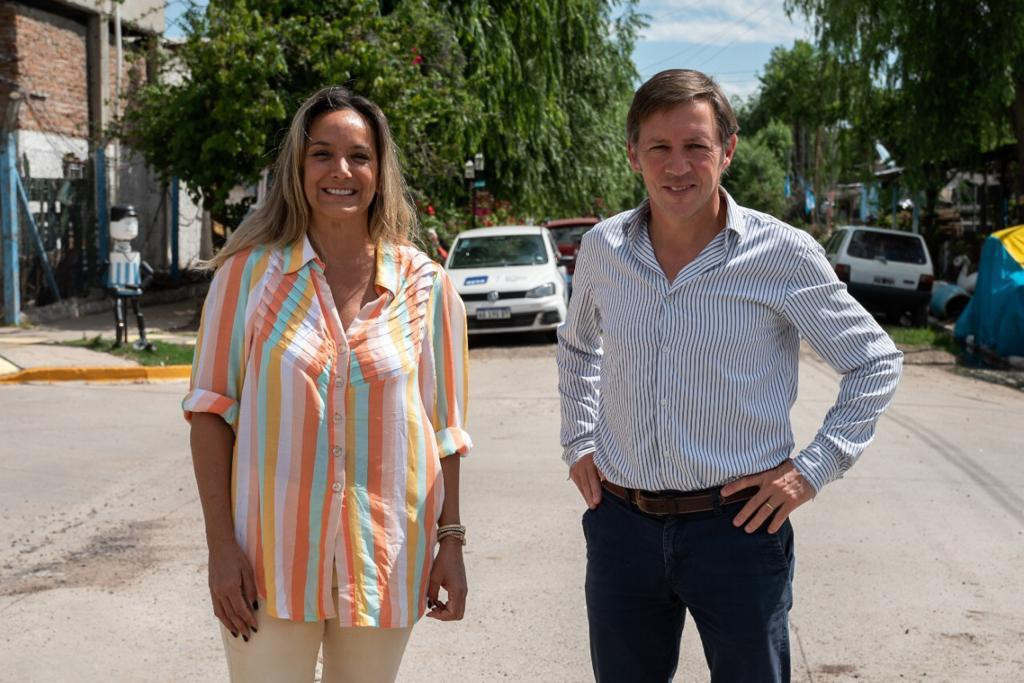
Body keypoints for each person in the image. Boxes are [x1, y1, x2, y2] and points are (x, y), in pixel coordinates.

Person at [557, 69, 903, 682]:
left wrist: (810, 471)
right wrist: (580, 442)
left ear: (728, 149)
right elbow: (580, 349)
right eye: (659, 147)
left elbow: (873, 360)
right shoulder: (603, 249)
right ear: (633, 153)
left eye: (696, 146)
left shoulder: (782, 254)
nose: (678, 165)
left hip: (738, 531)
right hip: (622, 530)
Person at [183, 86, 472, 682]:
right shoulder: (245, 277)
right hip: (266, 560)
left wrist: (452, 544)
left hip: (385, 558)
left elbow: (444, 432)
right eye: (322, 154)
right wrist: (220, 549)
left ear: (379, 170)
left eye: (359, 156)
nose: (341, 171)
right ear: (297, 166)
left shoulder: (427, 286)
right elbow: (210, 413)